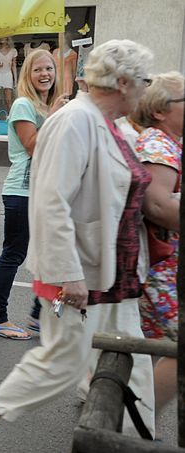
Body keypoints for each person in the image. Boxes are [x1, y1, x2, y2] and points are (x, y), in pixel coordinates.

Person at [0, 39, 158, 451]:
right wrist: (69, 275)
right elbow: (50, 202)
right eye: (143, 80)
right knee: (62, 364)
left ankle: (140, 442)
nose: (146, 89)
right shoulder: (74, 121)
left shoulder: (115, 126)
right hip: (82, 277)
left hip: (116, 275)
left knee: (134, 366)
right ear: (121, 82)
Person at [0, 49, 69, 340]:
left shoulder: (49, 107)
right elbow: (33, 146)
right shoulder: (23, 104)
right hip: (22, 192)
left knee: (48, 255)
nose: (44, 74)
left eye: (49, 69)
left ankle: (37, 315)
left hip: (46, 191)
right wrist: (57, 114)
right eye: (37, 70)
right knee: (14, 254)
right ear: (27, 75)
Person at [133, 72, 184, 416]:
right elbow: (158, 205)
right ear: (162, 110)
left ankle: (135, 418)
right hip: (161, 270)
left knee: (159, 349)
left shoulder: (169, 142)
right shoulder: (157, 145)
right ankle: (135, 418)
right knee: (178, 348)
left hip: (167, 268)